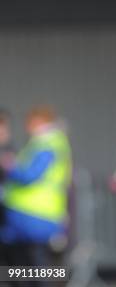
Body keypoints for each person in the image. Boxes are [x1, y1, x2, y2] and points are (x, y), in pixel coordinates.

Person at [0, 105, 72, 268]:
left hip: (34, 215)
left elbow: (30, 175)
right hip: (31, 215)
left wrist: (10, 166)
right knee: (25, 265)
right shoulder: (45, 143)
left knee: (35, 265)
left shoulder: (46, 143)